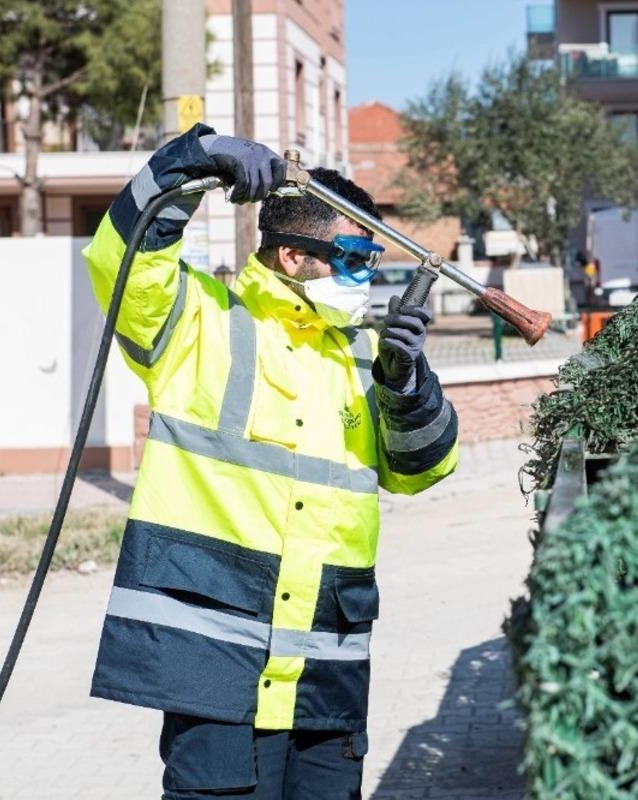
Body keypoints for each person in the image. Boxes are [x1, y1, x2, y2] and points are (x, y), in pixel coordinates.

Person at [83, 124, 458, 799]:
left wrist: (408, 386)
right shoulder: (199, 324)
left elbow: (423, 468)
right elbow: (122, 263)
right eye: (353, 257)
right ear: (292, 255)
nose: (366, 275)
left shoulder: (363, 354)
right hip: (216, 672)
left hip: (326, 674)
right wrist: (184, 164)